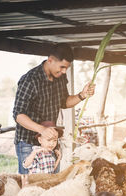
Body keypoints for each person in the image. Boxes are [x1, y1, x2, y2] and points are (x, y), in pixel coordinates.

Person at [13, 43, 95, 175]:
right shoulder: (30, 79)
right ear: (50, 60)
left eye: (66, 68)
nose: (63, 72)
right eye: (62, 67)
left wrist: (82, 95)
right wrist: (42, 129)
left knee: (50, 184)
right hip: (28, 143)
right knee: (30, 188)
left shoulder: (60, 78)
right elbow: (18, 115)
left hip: (50, 143)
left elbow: (64, 102)